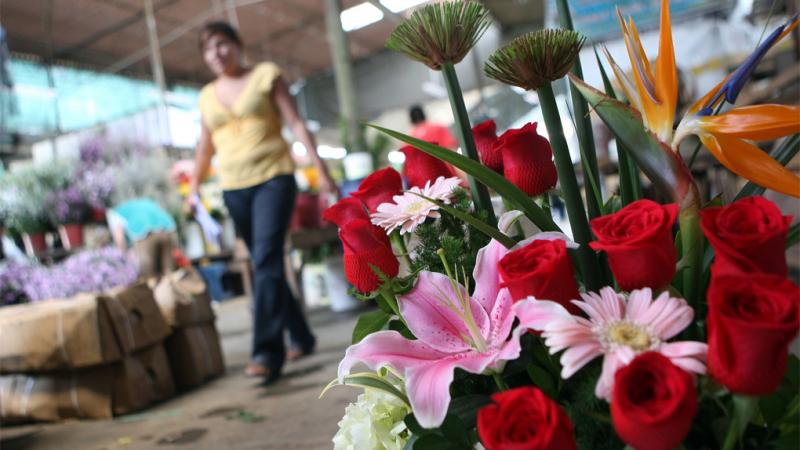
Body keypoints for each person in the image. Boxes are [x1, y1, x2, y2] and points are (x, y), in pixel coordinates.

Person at [191, 22, 335, 384]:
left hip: (274, 177)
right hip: (233, 187)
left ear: (238, 43)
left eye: (221, 44)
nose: (216, 53)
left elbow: (296, 123)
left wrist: (321, 170)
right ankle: (301, 335)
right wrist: (193, 187)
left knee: (267, 260)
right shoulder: (206, 95)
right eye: (207, 49)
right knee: (264, 261)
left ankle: (267, 352)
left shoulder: (266, 75)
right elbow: (205, 146)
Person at [107, 198, 177, 278]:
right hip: (167, 230)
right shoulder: (145, 202)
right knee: (168, 269)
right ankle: (171, 281)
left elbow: (120, 239)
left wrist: (124, 256)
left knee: (149, 274)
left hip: (144, 233)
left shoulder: (113, 213)